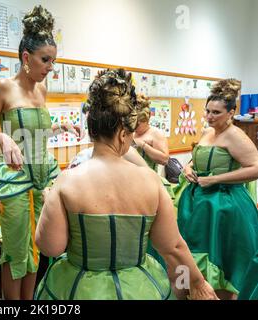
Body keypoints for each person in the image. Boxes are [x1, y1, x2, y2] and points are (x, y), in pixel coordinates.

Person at [35, 68, 218, 300]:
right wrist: (198, 282)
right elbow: (173, 247)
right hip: (140, 288)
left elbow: (50, 247)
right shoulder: (151, 182)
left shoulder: (67, 181)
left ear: (92, 129)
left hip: (78, 288)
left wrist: (47, 201)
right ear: (123, 133)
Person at [0, 5, 83, 300]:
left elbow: (35, 134)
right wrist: (2, 138)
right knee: (17, 249)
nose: (50, 67)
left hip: (42, 176)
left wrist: (59, 130)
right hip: (15, 179)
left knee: (38, 244)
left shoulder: (41, 92)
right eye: (46, 60)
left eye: (53, 61)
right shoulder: (3, 88)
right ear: (25, 58)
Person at [178, 79, 258, 300]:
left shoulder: (236, 136)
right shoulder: (207, 132)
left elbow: (256, 168)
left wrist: (216, 180)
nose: (210, 116)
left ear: (231, 112)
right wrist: (188, 167)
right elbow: (198, 159)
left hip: (223, 206)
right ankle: (189, 289)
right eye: (207, 111)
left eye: (216, 112)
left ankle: (216, 294)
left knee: (219, 255)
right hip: (195, 201)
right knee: (186, 251)